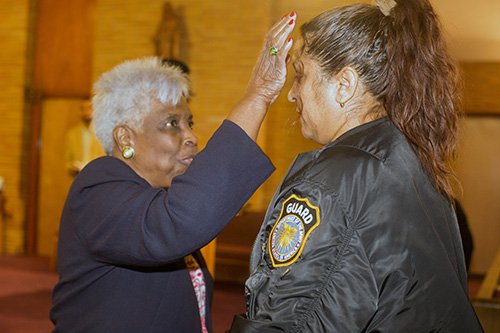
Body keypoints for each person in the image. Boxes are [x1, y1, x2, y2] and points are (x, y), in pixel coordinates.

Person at [229, 1, 483, 332]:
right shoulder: (411, 158)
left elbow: (289, 320)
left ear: (345, 84)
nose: (291, 94)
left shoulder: (330, 182)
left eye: (300, 75)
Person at [50, 12, 296, 332]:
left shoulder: (153, 198)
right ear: (125, 137)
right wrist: (258, 95)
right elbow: (173, 225)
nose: (191, 136)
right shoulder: (96, 184)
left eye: (188, 122)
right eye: (172, 124)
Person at [64, 99, 104, 177]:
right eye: (83, 108)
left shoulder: (102, 132)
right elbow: (68, 161)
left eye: (89, 108)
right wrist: (72, 167)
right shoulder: (72, 134)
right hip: (79, 178)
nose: (86, 112)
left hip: (98, 178)